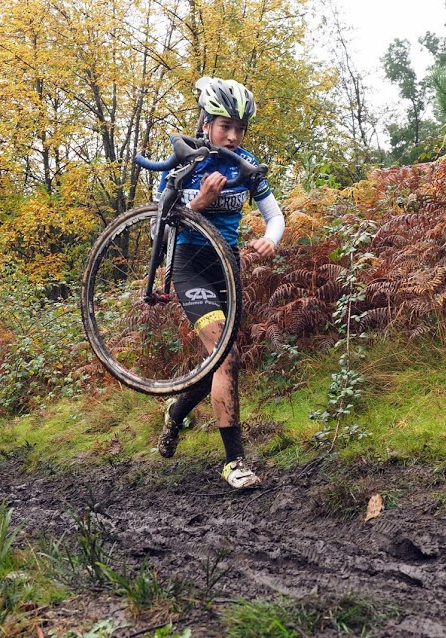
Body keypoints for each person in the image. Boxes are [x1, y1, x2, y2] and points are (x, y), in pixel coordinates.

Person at [156, 76, 285, 489]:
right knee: (224, 357)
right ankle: (234, 461)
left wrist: (270, 238)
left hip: (227, 267)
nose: (232, 135)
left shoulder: (244, 165)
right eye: (224, 126)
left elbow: (275, 215)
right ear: (205, 123)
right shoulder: (183, 164)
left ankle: (178, 410)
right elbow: (161, 220)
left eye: (239, 128)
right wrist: (200, 202)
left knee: (224, 359)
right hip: (190, 264)